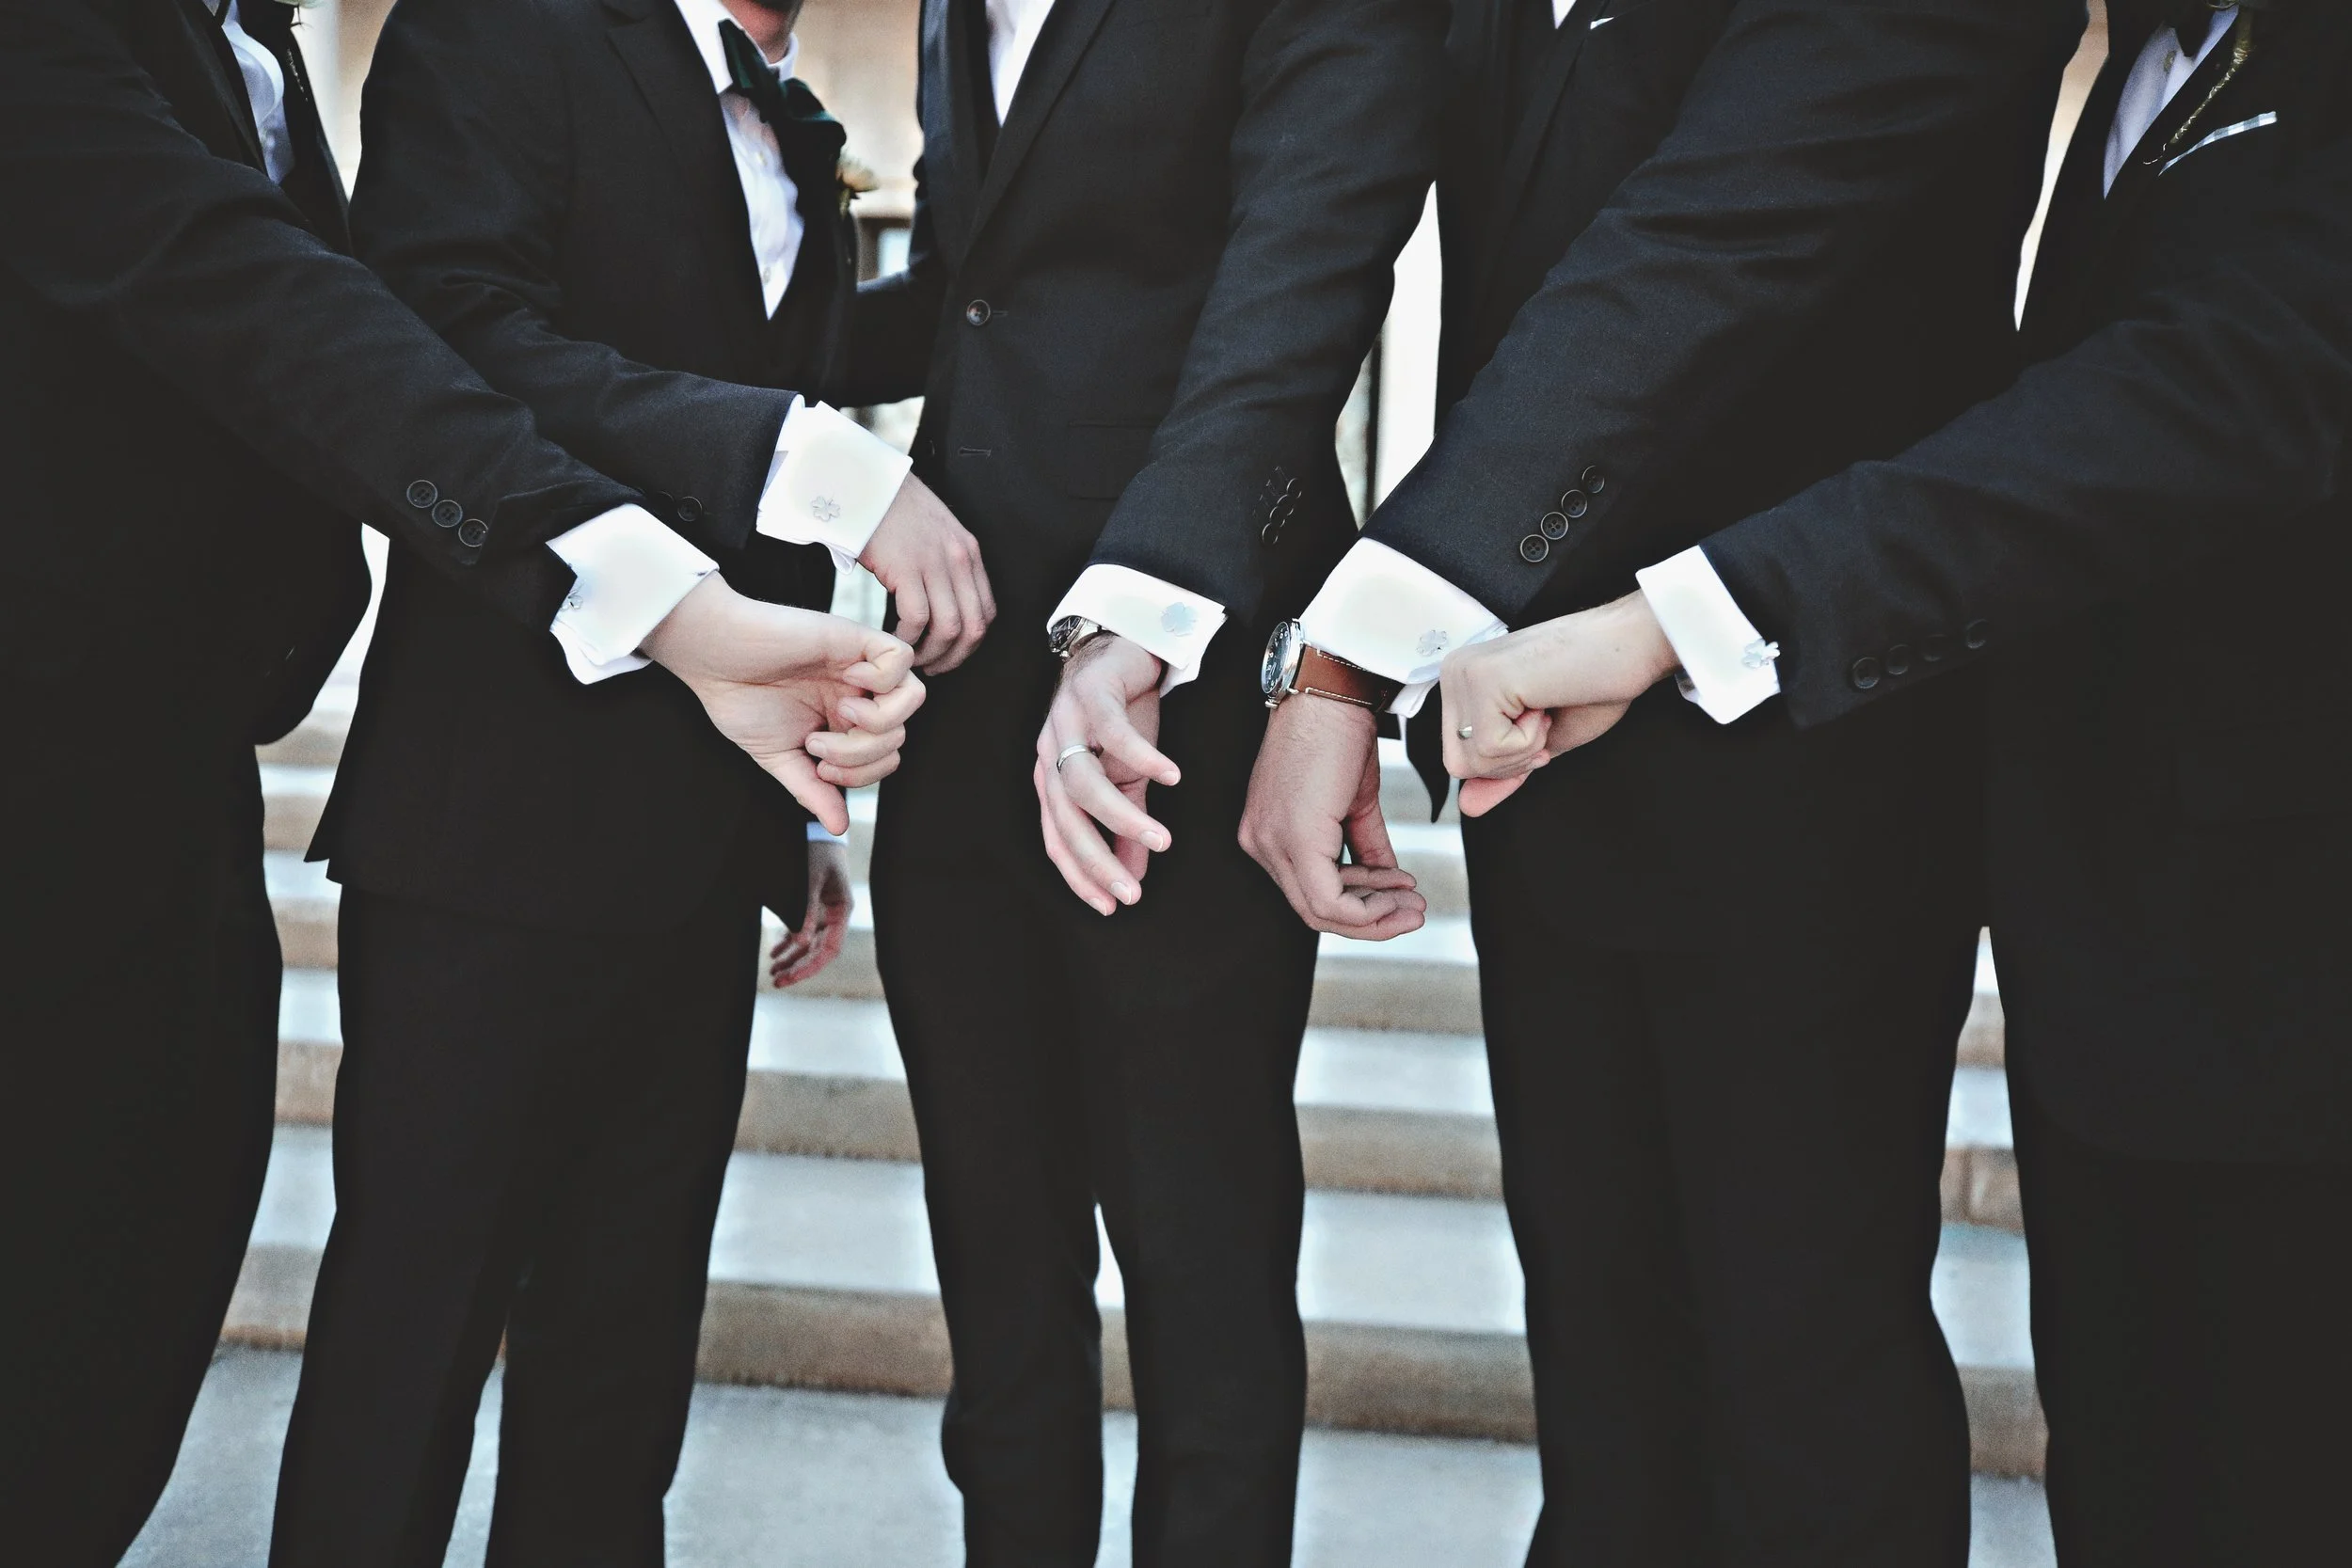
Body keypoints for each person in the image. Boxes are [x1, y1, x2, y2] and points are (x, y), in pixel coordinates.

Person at [0, 2, 914, 1561]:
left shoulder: (262, 48)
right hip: (278, 794)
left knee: (141, 1331)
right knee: (367, 1343)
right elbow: (333, 310)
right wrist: (700, 585)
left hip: (205, 780)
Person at [1440, 3, 2352, 1560]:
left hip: (2284, 949)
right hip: (2124, 951)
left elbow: (2220, 384)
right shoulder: (2144, 56)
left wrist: (1688, 615)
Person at [1236, 0, 2081, 1560]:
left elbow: (1691, 258)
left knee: (1803, 1381)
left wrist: (1350, 656)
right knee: (1602, 1375)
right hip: (1538, 778)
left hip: (1811, 782)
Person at [262, 1, 959, 1561]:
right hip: (485, 839)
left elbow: (777, 369)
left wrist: (793, 814)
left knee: (618, 1380)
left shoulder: (786, 119)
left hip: (702, 839)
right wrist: (834, 463)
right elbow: (450, 326)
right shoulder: (506, 31)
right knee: (408, 1349)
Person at [836, 0, 1442, 1557]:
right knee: (995, 1258)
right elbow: (989, 290)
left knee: (1203, 1257)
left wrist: (1144, 612)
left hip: (1189, 699)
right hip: (963, 689)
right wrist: (741, 381)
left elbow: (1295, 288)